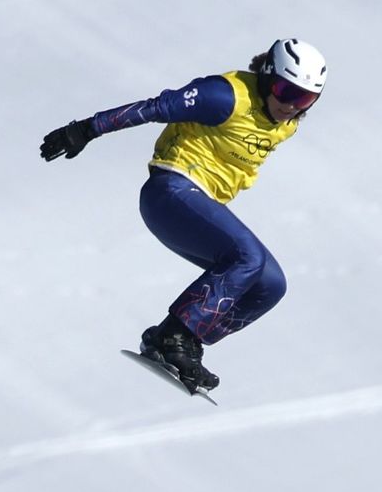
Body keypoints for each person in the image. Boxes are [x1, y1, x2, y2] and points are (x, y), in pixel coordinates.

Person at [40, 38, 327, 392]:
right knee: (248, 257)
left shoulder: (288, 123)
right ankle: (175, 337)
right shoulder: (225, 96)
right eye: (286, 91)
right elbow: (157, 107)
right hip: (171, 192)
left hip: (200, 204)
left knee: (270, 285)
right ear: (268, 77)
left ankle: (182, 342)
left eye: (305, 99)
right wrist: (86, 129)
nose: (291, 105)